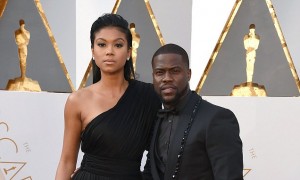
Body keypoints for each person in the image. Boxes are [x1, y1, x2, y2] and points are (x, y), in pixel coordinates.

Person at [55, 13, 161, 180]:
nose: (109, 52)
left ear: (128, 52)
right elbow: (67, 161)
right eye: (102, 44)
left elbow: (159, 154)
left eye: (118, 45)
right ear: (93, 51)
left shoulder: (149, 96)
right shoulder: (77, 100)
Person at [143, 43, 243, 180]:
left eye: (175, 71)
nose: (166, 78)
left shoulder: (217, 118)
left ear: (188, 74)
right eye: (160, 72)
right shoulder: (158, 118)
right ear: (153, 77)